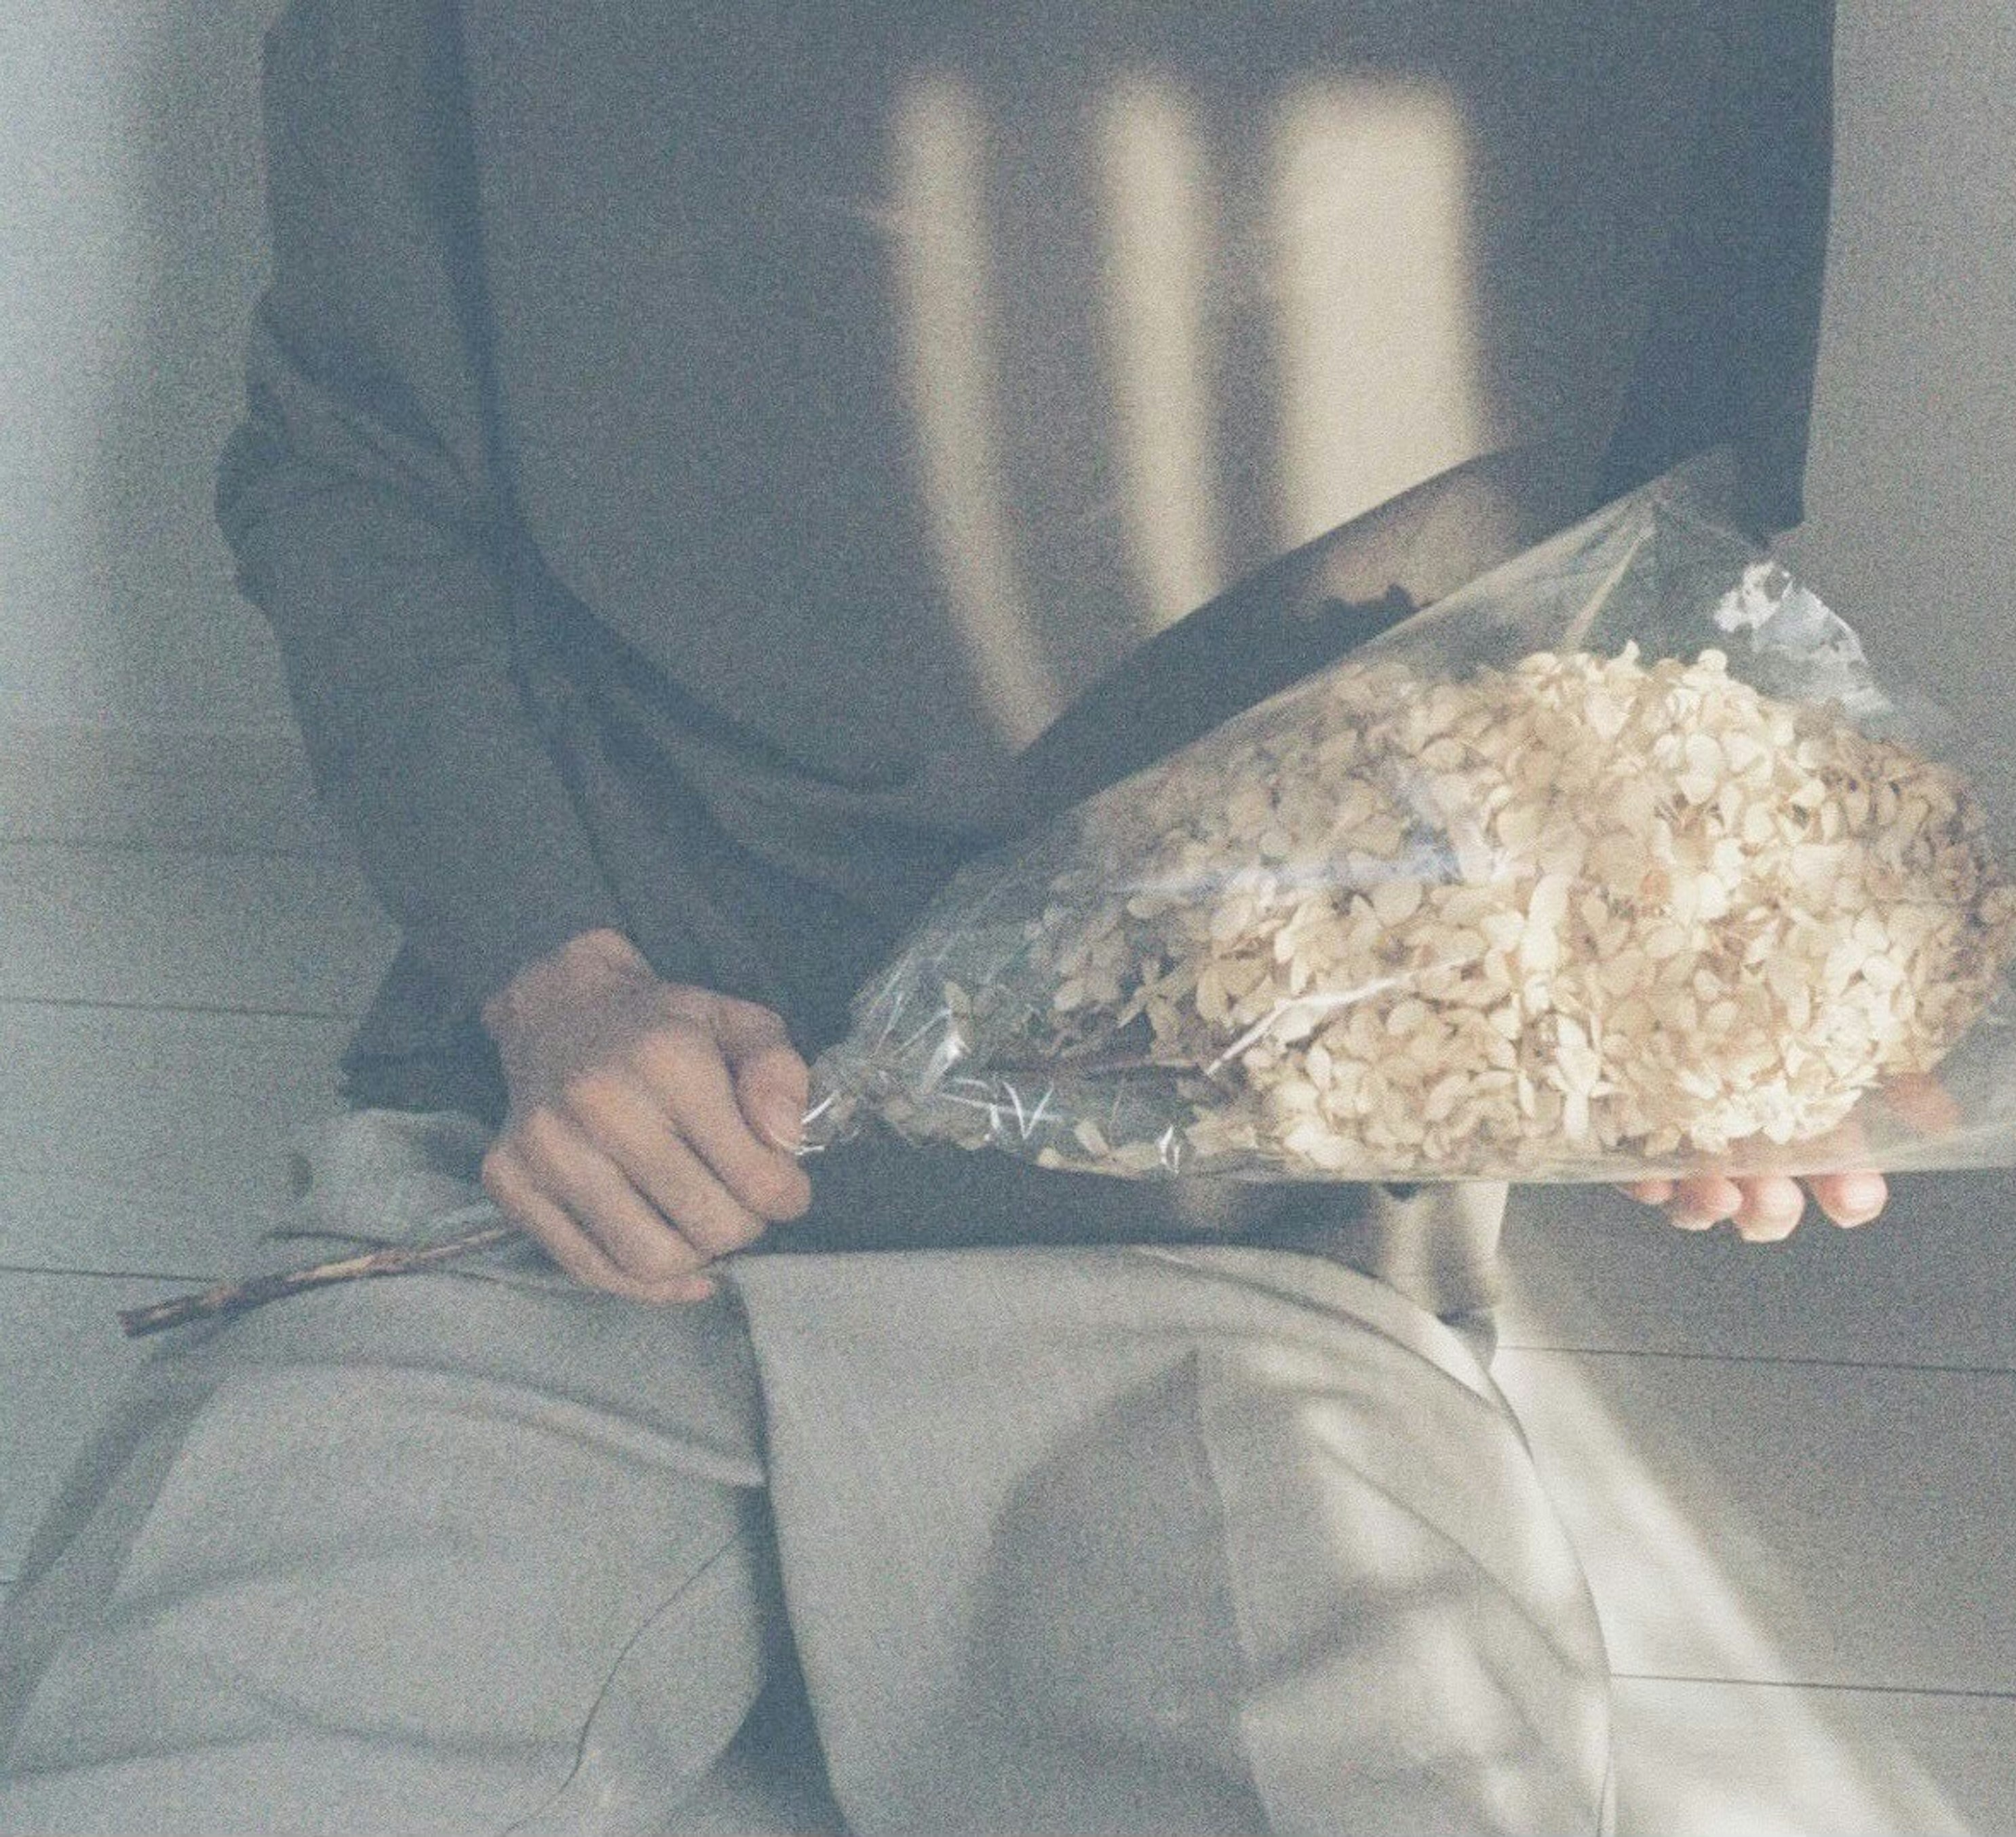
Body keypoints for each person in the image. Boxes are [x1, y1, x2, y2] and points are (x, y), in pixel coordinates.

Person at [0, 1, 1883, 1830]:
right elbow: (356, 468)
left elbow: (1677, 543)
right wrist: (548, 975)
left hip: (1257, 1244)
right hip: (557, 1180)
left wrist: (1720, 971)